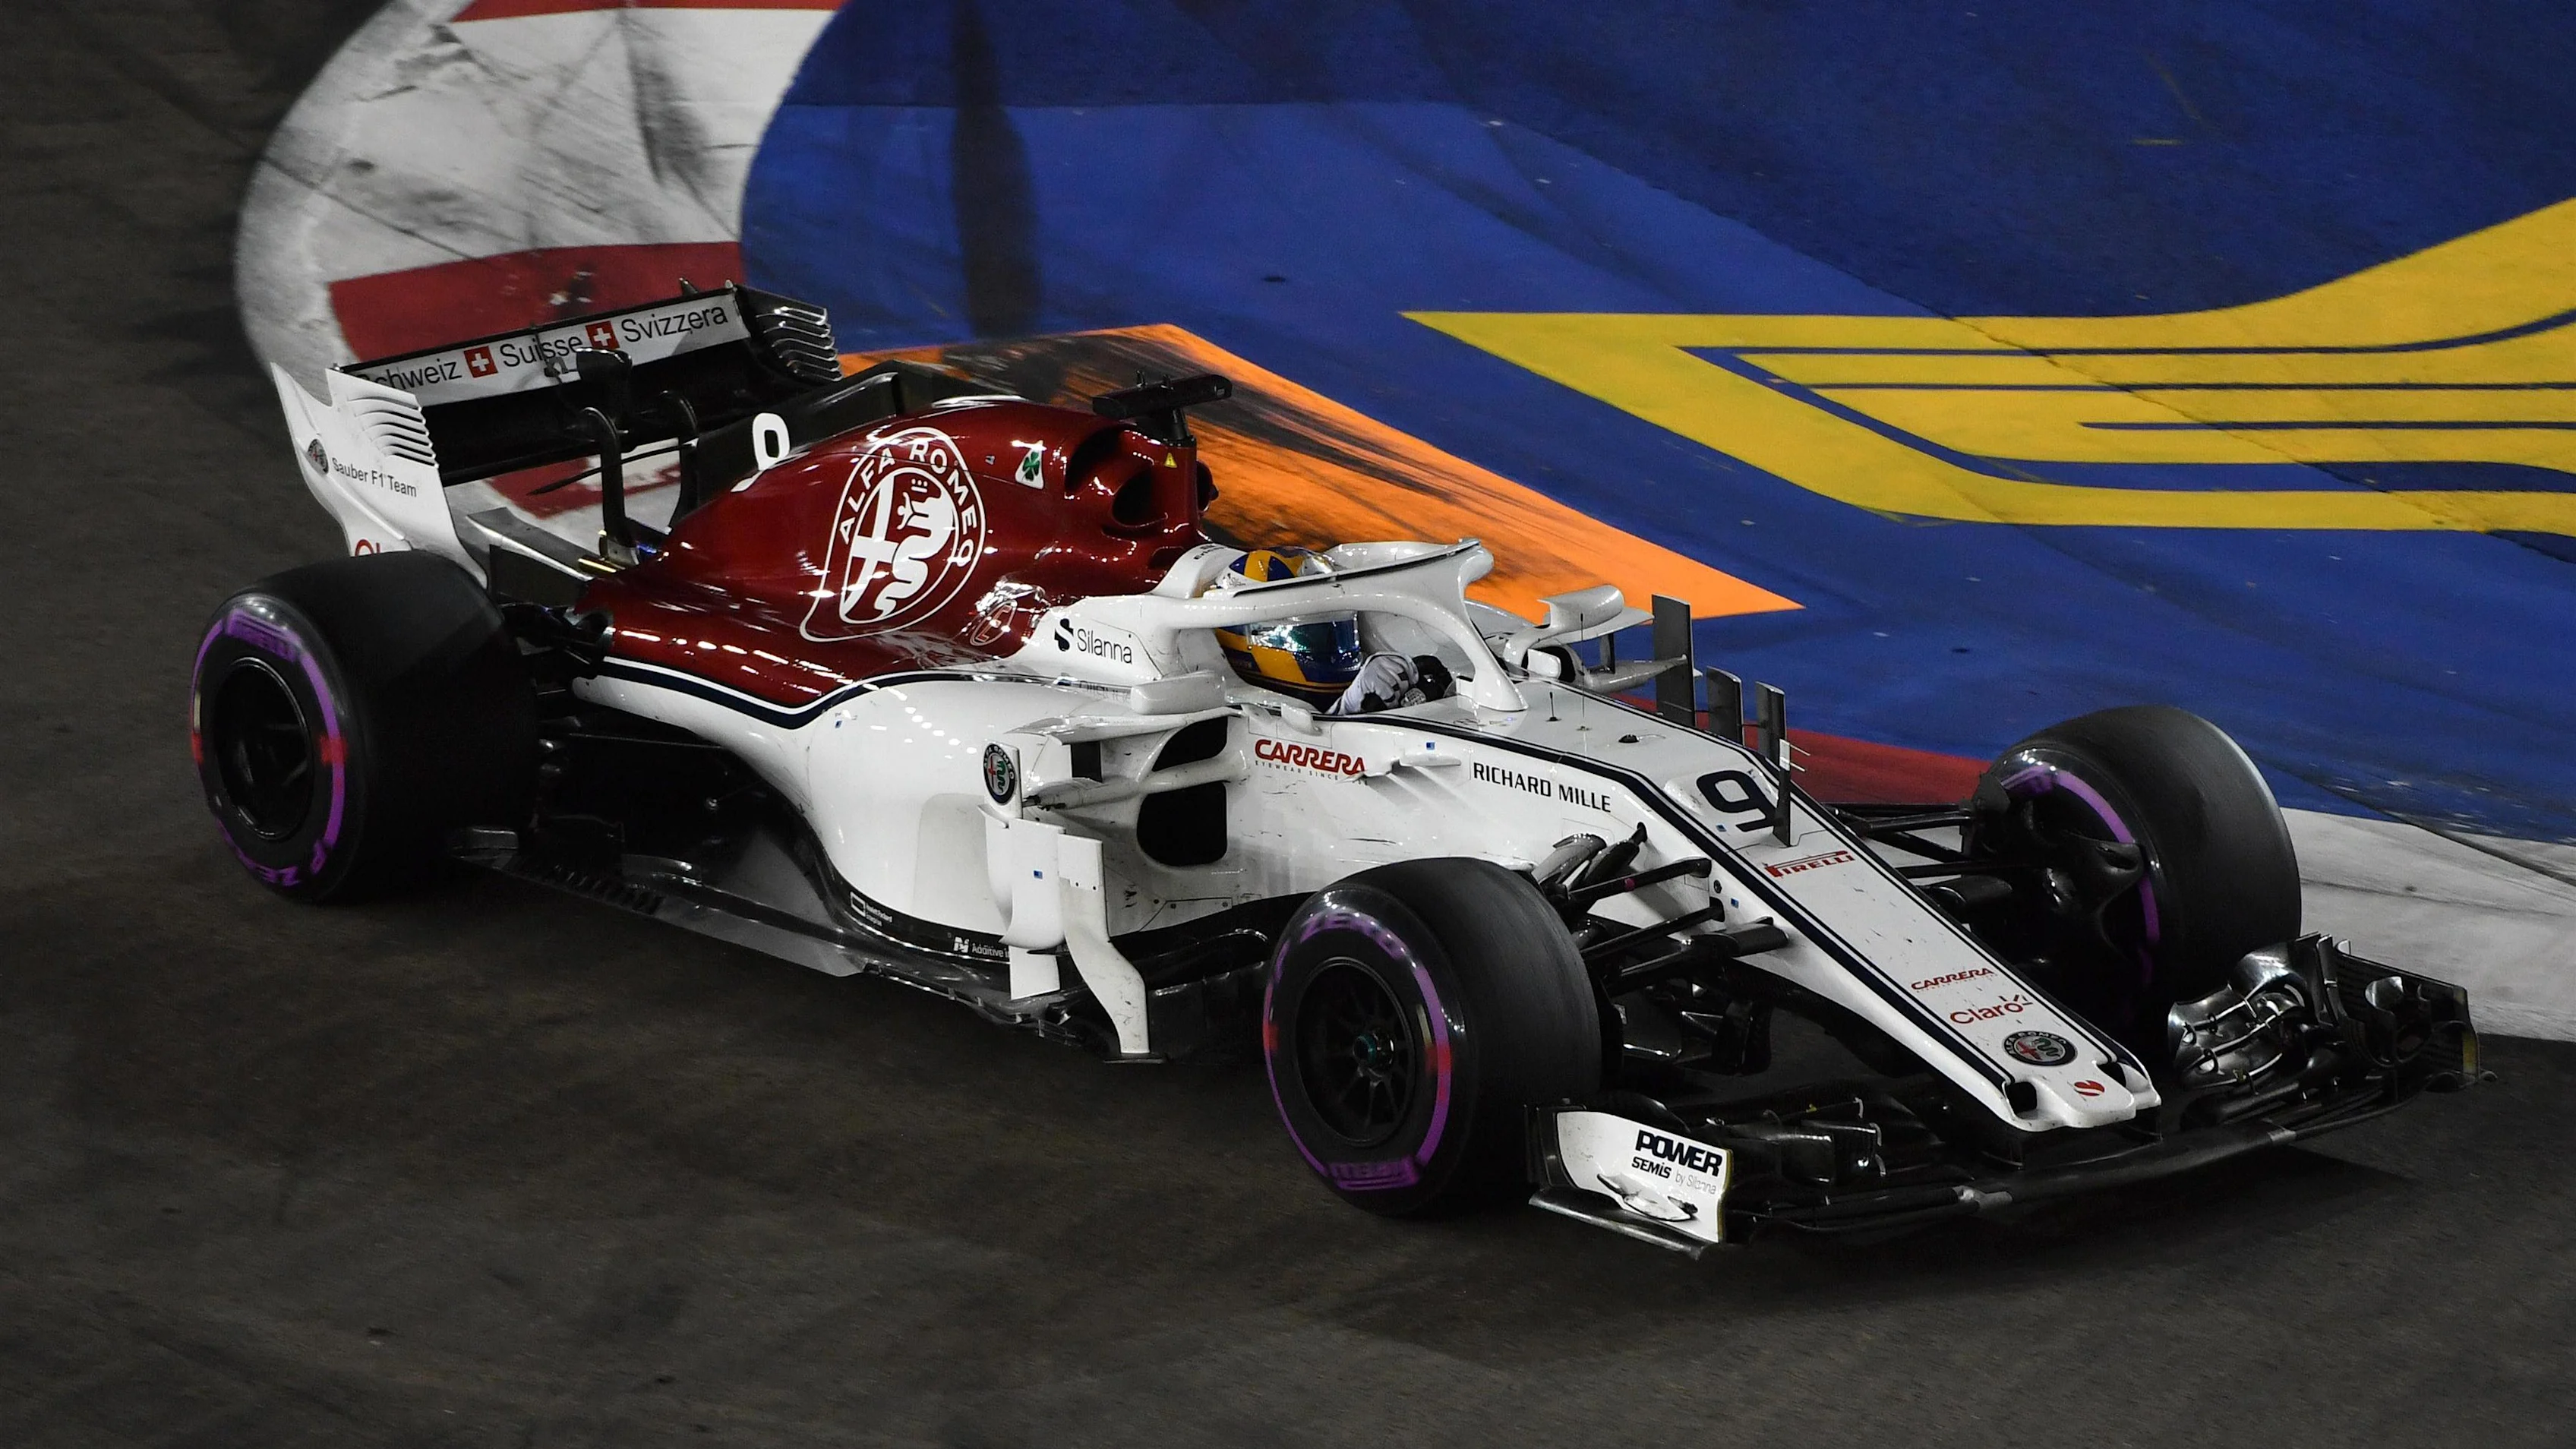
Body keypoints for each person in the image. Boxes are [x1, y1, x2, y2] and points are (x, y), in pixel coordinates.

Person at [1208, 549, 1455, 714]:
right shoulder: (1222, 711)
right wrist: (1349, 710)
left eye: (1341, 633)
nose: (1338, 650)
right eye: (1316, 637)